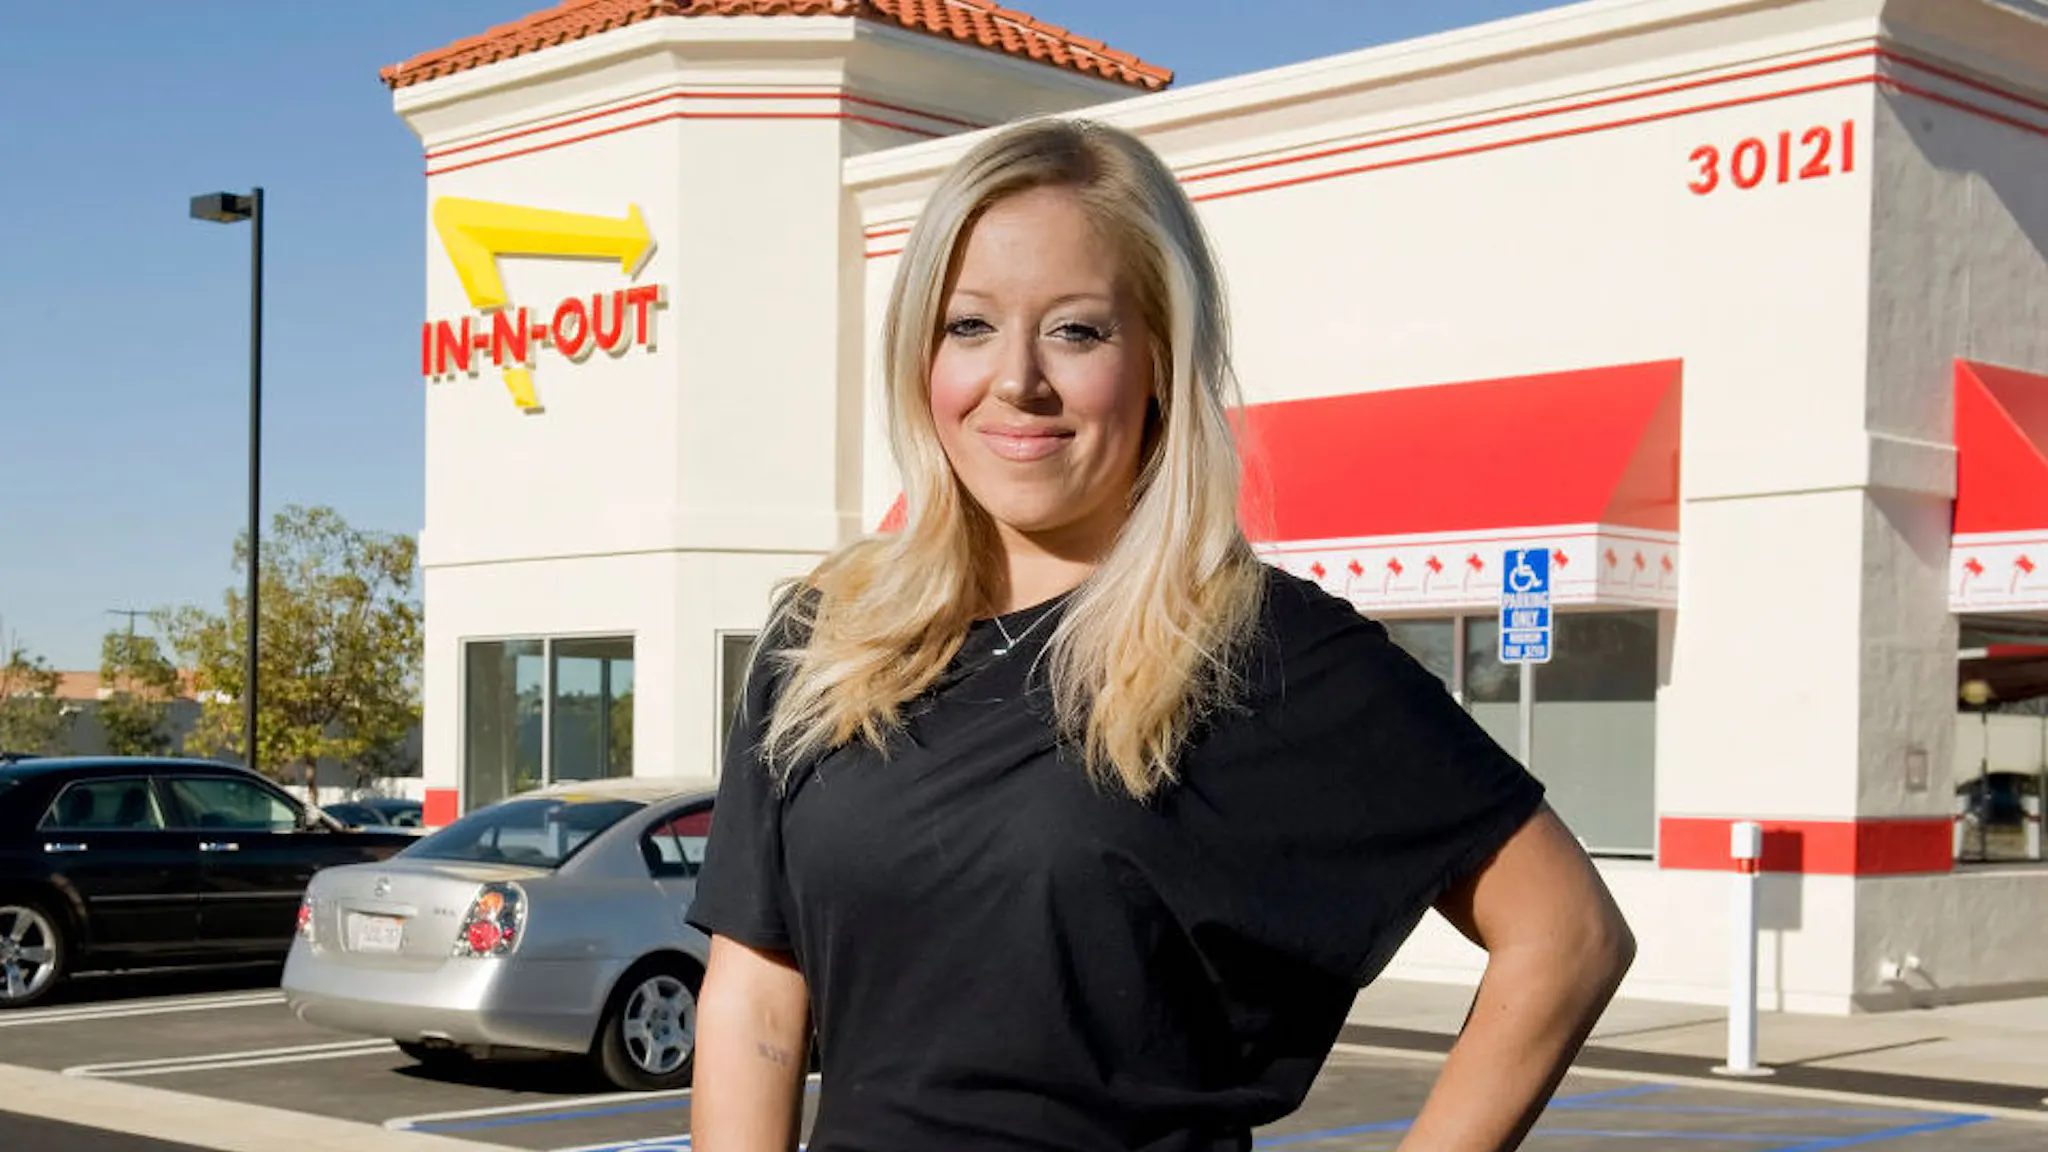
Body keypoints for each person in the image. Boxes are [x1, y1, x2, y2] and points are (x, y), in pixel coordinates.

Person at [687, 116, 1635, 1152]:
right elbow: (759, 996)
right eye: (968, 326)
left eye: (1077, 330)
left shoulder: (1259, 652)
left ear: (1157, 362)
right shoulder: (826, 637)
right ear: (919, 354)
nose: (1017, 380)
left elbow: (1567, 935)